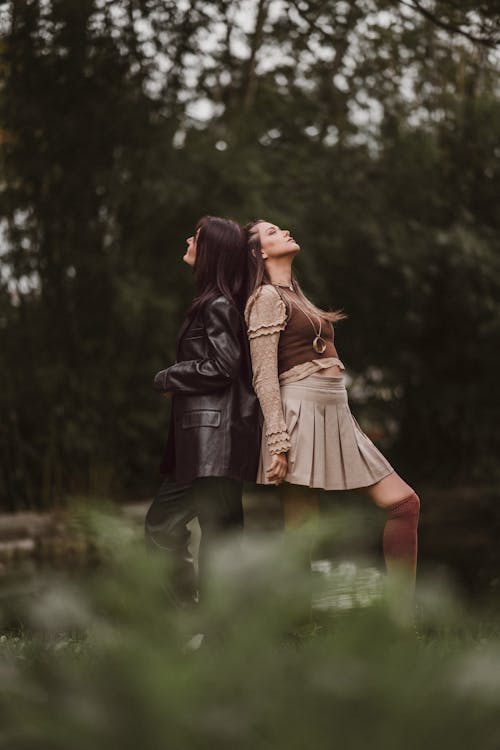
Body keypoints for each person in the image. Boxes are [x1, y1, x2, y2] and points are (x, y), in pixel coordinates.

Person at [243, 219, 420, 596]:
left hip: (337, 414)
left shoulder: (294, 295)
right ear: (259, 252)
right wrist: (277, 438)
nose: (285, 231)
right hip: (298, 414)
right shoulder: (265, 298)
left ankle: (403, 615)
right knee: (301, 533)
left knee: (405, 504)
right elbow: (263, 374)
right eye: (272, 232)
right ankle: (298, 624)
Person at [145, 216, 261, 605]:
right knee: (223, 540)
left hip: (211, 444)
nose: (187, 240)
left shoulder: (217, 306)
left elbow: (222, 367)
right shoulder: (219, 303)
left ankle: (187, 616)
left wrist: (169, 377)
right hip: (217, 442)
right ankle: (217, 632)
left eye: (195, 237)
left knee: (161, 527)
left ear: (209, 250)